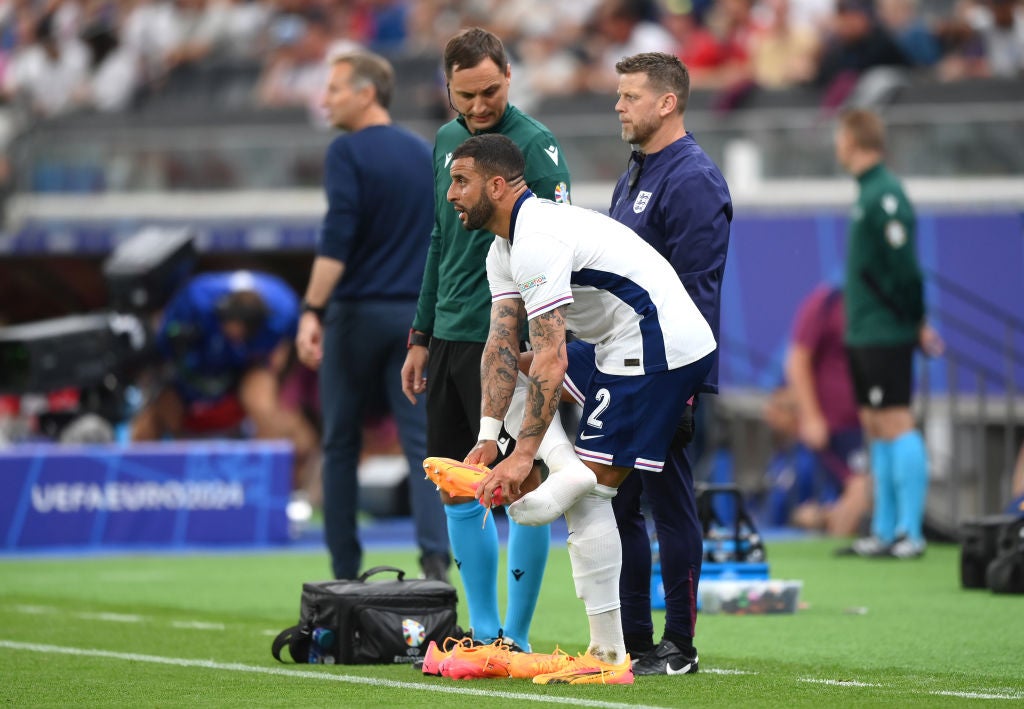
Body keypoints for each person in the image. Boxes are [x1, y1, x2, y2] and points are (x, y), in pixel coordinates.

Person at [452, 133, 716, 684]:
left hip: (653, 344)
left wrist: (523, 454)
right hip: (622, 345)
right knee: (570, 470)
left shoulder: (537, 238)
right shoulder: (503, 246)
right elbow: (503, 347)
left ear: (496, 186)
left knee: (565, 499)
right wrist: (487, 436)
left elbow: (552, 355)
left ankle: (610, 655)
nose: (451, 194)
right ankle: (609, 655)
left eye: (461, 182)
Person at [400, 27, 572, 651]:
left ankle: (517, 639)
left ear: (509, 77)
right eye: (465, 95)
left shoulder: (537, 148)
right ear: (446, 89)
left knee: (518, 485)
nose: (478, 107)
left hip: (511, 343)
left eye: (490, 92)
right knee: (456, 484)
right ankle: (483, 630)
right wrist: (421, 332)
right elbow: (439, 241)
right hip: (448, 335)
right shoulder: (447, 142)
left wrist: (540, 342)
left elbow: (557, 249)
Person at [294, 51, 449, 582]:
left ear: (366, 93)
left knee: (340, 443)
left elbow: (336, 239)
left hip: (357, 315)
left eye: (334, 89)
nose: (325, 99)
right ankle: (435, 567)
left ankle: (345, 574)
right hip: (413, 320)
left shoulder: (346, 152)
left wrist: (312, 309)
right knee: (422, 448)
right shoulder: (424, 152)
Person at [605, 52, 732, 676]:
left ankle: (679, 646)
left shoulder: (694, 179)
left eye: (630, 96)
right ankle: (634, 643)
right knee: (619, 507)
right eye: (619, 95)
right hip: (621, 370)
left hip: (665, 374)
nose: (619, 106)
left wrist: (683, 389)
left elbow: (697, 292)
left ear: (667, 102)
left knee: (670, 506)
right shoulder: (634, 174)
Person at [834, 107, 943, 559]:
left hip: (885, 331)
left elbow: (906, 271)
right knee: (876, 426)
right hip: (865, 331)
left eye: (840, 137)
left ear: (855, 140)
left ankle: (909, 532)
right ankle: (882, 529)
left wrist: (916, 321)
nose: (836, 145)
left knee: (896, 420)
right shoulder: (866, 193)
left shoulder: (886, 195)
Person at [131, 270, 319, 495]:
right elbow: (161, 348)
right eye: (230, 331)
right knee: (152, 417)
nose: (234, 337)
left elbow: (287, 348)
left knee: (262, 404)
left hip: (245, 368)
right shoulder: (194, 299)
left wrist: (273, 373)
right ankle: (143, 493)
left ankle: (266, 492)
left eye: (241, 334)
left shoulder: (283, 308)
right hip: (192, 367)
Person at [784, 283, 871, 536]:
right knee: (861, 490)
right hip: (834, 427)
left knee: (868, 494)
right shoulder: (827, 302)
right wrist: (810, 417)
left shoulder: (878, 307)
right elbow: (797, 361)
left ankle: (821, 517)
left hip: (869, 424)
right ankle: (834, 540)